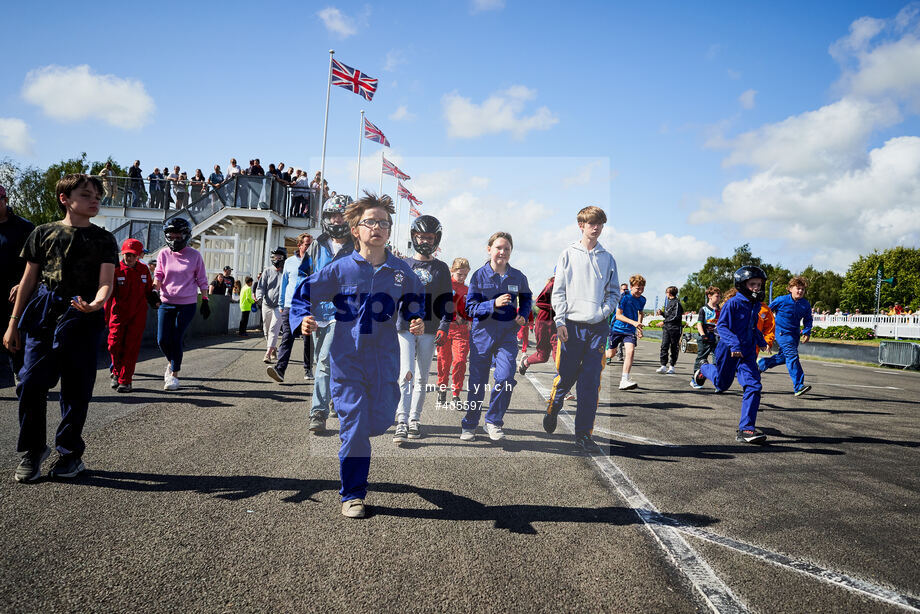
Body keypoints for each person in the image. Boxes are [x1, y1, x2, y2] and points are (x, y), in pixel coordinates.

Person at [290, 192, 425, 519]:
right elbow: (303, 294)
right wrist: (301, 319)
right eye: (370, 222)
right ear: (356, 230)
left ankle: (361, 436)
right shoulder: (340, 269)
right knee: (353, 426)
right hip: (347, 358)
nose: (377, 227)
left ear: (389, 231)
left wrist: (415, 319)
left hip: (384, 359)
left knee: (378, 420)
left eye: (383, 222)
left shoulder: (401, 271)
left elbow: (415, 302)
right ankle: (352, 494)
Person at [4, 174, 118, 481]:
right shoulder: (43, 233)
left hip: (82, 315)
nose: (95, 200)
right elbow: (28, 281)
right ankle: (33, 450)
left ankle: (69, 454)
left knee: (76, 388)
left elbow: (106, 282)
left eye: (97, 195)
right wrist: (13, 323)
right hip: (42, 313)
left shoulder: (104, 238)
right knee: (29, 382)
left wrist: (96, 304)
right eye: (86, 195)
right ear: (65, 199)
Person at [542, 206, 619, 450]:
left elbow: (614, 293)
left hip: (597, 329)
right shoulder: (567, 254)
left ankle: (583, 434)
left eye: (600, 224)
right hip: (571, 326)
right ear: (581, 225)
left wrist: (603, 312)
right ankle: (554, 405)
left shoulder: (608, 258)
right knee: (566, 377)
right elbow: (559, 290)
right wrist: (561, 320)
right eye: (591, 223)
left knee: (590, 383)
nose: (596, 228)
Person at [460, 232, 532, 442]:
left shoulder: (518, 277)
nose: (502, 252)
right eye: (498, 247)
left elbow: (527, 300)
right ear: (489, 249)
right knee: (477, 382)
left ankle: (493, 421)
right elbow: (470, 309)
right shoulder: (478, 276)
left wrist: (523, 314)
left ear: (511, 252)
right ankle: (470, 423)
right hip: (482, 334)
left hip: (507, 335)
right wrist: (493, 304)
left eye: (507, 248)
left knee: (505, 377)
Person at [393, 215, 453, 445]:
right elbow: (394, 297)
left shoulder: (441, 268)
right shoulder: (403, 265)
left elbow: (447, 301)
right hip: (405, 327)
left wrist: (444, 327)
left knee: (421, 376)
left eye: (430, 237)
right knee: (405, 373)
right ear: (413, 236)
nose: (425, 241)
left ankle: (415, 419)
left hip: (429, 329)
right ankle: (401, 419)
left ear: (436, 239)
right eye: (421, 236)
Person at [298, 194, 355, 433]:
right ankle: (332, 399)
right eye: (332, 215)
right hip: (317, 312)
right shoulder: (315, 245)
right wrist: (302, 312)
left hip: (344, 314)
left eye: (340, 214)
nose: (336, 219)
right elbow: (303, 279)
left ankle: (317, 413)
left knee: (323, 362)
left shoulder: (358, 245)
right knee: (324, 360)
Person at [692, 266, 769, 444]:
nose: (757, 288)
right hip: (729, 349)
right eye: (752, 284)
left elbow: (751, 326)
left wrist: (761, 340)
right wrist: (734, 344)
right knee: (722, 383)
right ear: (742, 285)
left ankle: (746, 429)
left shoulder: (756, 304)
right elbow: (722, 327)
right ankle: (704, 368)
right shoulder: (732, 303)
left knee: (754, 386)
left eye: (759, 284)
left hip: (748, 351)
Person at [154, 217, 210, 391]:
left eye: (178, 236)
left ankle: (173, 375)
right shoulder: (163, 253)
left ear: (186, 236)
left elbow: (202, 279)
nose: (175, 239)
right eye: (171, 235)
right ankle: (172, 362)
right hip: (166, 301)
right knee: (162, 339)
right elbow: (159, 275)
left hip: (187, 303)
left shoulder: (195, 255)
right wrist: (153, 290)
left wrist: (206, 300)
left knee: (177, 337)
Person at [105, 238, 159, 393]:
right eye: (127, 254)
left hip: (138, 315)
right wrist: (105, 316)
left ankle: (125, 380)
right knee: (114, 345)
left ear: (139, 256)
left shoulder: (143, 270)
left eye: (133, 255)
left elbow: (149, 290)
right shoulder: (116, 270)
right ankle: (116, 372)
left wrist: (154, 301)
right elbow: (108, 295)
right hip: (118, 315)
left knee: (131, 347)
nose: (129, 258)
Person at [0, 183, 35, 387]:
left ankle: (23, 377)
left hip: (17, 292)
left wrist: (21, 284)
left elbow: (36, 262)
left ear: (5, 201)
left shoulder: (24, 227)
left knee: (17, 338)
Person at [268, 233, 314, 383]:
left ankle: (308, 369)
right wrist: (281, 304)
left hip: (307, 305)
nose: (309, 247)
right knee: (287, 337)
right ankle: (280, 370)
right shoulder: (289, 262)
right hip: (290, 305)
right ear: (300, 245)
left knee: (308, 339)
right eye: (307, 244)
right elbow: (284, 284)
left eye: (311, 244)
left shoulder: (315, 262)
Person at [757, 276, 813, 396]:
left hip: (794, 335)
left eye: (802, 289)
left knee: (784, 357)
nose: (800, 291)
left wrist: (807, 332)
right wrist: (763, 327)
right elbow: (766, 311)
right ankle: (798, 386)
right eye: (798, 288)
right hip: (782, 333)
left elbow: (808, 319)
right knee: (792, 356)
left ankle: (762, 364)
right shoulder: (781, 300)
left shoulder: (805, 304)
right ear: (790, 289)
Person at [436, 258, 471, 408]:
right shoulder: (444, 286)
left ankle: (456, 393)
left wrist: (470, 319)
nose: (462, 277)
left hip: (461, 331)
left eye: (465, 275)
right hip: (445, 329)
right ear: (452, 270)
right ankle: (442, 388)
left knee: (460, 361)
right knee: (444, 362)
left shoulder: (469, 290)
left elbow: (471, 309)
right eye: (459, 274)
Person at [609, 275, 646, 390]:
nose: (640, 291)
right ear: (631, 287)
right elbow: (619, 316)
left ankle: (624, 380)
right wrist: (634, 323)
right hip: (617, 329)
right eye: (637, 288)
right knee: (611, 354)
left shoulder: (642, 299)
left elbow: (640, 312)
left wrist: (639, 327)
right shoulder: (623, 297)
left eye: (642, 288)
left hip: (629, 331)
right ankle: (593, 358)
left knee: (630, 351)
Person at [517, 275, 559, 377]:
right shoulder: (553, 283)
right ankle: (526, 362)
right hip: (544, 323)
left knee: (558, 351)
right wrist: (558, 307)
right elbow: (540, 301)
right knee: (542, 356)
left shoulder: (574, 283)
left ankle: (561, 385)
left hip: (558, 323)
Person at [256, 247, 286, 364]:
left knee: (274, 328)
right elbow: (261, 286)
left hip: (279, 306)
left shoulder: (286, 271)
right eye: (274, 257)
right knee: (266, 329)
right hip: (266, 304)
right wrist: (259, 297)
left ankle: (267, 354)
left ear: (283, 258)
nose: (276, 259)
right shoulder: (267, 271)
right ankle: (273, 348)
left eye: (279, 257)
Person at [690, 286, 722, 388]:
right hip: (705, 337)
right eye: (717, 296)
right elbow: (699, 324)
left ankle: (717, 380)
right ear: (709, 296)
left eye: (719, 296)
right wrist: (703, 335)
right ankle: (695, 380)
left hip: (716, 338)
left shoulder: (719, 310)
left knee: (718, 359)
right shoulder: (703, 309)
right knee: (702, 358)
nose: (719, 298)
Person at [656, 286, 684, 374]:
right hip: (667, 329)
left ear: (669, 293)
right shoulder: (669, 302)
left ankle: (672, 366)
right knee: (664, 346)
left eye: (666, 292)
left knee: (674, 348)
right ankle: (663, 366)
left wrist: (663, 322)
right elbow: (669, 316)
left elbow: (676, 316)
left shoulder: (677, 303)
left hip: (675, 329)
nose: (666, 294)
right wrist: (662, 314)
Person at [605, 282, 630, 364]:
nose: (626, 291)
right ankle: (608, 357)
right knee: (609, 341)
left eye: (627, 289)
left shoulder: (629, 300)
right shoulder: (616, 299)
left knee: (623, 344)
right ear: (620, 290)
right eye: (624, 289)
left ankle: (619, 355)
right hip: (613, 324)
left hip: (624, 327)